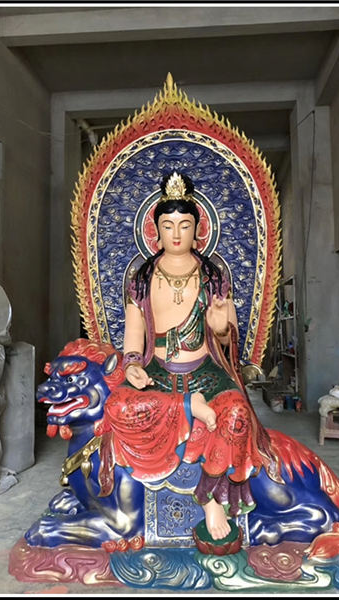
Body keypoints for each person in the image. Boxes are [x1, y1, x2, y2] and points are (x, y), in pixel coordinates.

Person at [100, 172, 283, 541]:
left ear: (198, 229)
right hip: (158, 371)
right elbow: (134, 332)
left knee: (236, 411)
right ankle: (189, 406)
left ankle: (212, 497)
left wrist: (220, 327)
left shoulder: (213, 276)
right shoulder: (141, 277)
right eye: (168, 226)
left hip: (206, 370)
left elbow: (229, 336)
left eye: (185, 225)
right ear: (155, 230)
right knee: (117, 406)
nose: (176, 234)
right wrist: (132, 364)